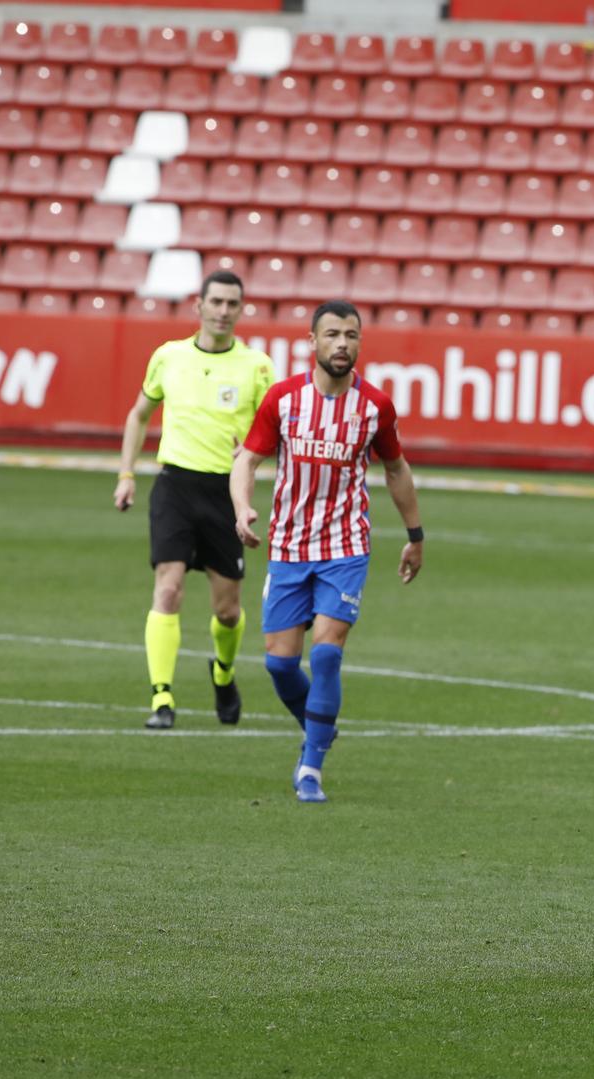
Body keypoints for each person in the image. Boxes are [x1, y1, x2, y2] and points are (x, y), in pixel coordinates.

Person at [230, 301, 424, 804]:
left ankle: (310, 767)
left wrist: (415, 534)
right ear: (311, 342)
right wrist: (242, 510)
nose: (343, 343)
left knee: (327, 654)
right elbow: (247, 460)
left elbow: (396, 469)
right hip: (289, 545)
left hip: (346, 545)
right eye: (333, 334)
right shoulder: (283, 399)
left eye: (352, 335)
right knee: (278, 664)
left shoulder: (375, 406)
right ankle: (319, 726)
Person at [113, 270, 274, 729]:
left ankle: (223, 673)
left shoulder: (257, 367)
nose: (224, 311)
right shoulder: (169, 357)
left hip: (226, 493)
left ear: (241, 310)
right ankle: (161, 698)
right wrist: (127, 475)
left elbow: (275, 433)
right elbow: (139, 414)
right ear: (198, 306)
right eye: (216, 302)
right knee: (168, 586)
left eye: (232, 304)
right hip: (175, 486)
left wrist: (254, 453)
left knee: (227, 609)